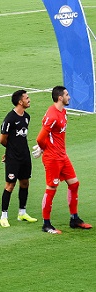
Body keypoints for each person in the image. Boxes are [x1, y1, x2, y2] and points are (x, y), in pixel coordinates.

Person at [34, 85, 92, 234]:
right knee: (51, 189)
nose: (69, 97)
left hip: (62, 156)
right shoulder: (52, 115)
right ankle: (46, 224)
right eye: (67, 95)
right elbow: (40, 137)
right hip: (52, 158)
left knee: (74, 184)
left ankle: (74, 219)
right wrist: (42, 148)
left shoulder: (63, 112)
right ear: (60, 97)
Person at [0, 89, 37, 227]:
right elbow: (2, 139)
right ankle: (4, 216)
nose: (29, 100)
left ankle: (22, 213)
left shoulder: (26, 117)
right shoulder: (10, 119)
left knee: (25, 183)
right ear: (20, 101)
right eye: (27, 98)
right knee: (10, 185)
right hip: (13, 157)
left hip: (25, 156)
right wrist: (10, 151)